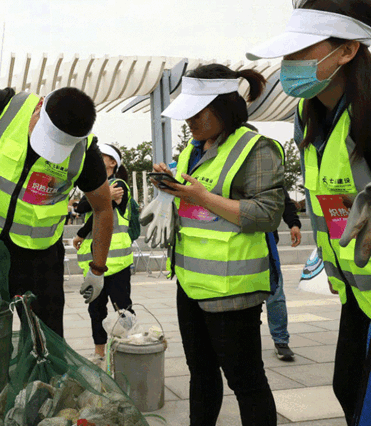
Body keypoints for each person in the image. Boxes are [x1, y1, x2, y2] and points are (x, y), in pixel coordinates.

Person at [247, 1, 371, 423]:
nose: (288, 65)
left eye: (301, 52)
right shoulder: (307, 113)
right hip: (357, 292)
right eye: (286, 54)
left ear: (348, 50)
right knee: (345, 386)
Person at [152, 64, 285, 425]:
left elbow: (267, 214)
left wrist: (202, 195)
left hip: (233, 288)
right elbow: (194, 206)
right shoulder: (192, 150)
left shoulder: (257, 149)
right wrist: (171, 187)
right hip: (191, 283)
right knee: (201, 373)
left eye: (198, 111)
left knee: (246, 380)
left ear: (224, 106)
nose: (190, 121)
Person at [0, 87, 114, 337]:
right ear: (39, 108)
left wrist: (98, 268)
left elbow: (103, 208)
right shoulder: (9, 106)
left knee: (44, 342)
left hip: (40, 260)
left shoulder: (85, 152)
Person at [73, 143, 134, 366]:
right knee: (96, 309)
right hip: (95, 263)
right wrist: (81, 233)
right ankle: (99, 352)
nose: (98, 158)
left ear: (112, 163)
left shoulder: (119, 185)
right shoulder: (99, 187)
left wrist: (102, 196)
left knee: (122, 308)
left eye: (103, 156)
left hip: (117, 263)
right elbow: (90, 210)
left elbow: (83, 207)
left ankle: (127, 347)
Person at [266, 188, 302, 361]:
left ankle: (281, 340)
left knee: (276, 293)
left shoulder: (267, 165)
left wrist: (294, 223)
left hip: (265, 239)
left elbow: (283, 198)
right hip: (234, 240)